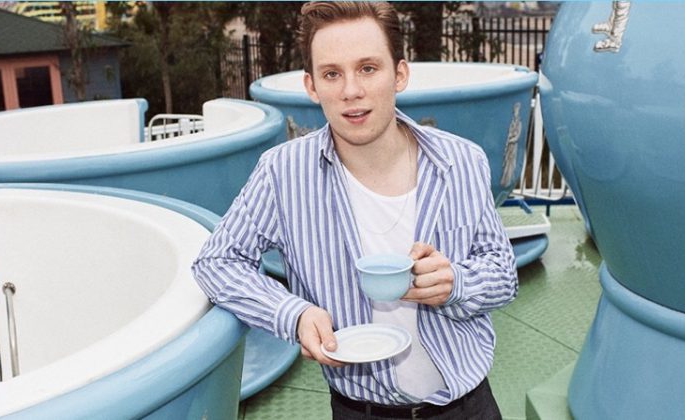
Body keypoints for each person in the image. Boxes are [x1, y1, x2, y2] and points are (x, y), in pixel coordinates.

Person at [192, 2, 517, 418]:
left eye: (367, 68)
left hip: (468, 407)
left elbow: (502, 274)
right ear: (312, 86)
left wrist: (456, 283)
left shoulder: (461, 162)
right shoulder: (283, 174)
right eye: (332, 74)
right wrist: (293, 313)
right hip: (360, 410)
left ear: (399, 73)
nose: (350, 91)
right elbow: (217, 261)